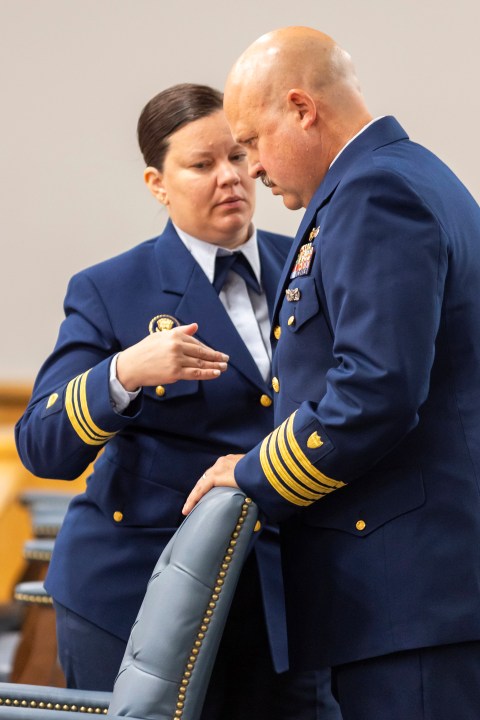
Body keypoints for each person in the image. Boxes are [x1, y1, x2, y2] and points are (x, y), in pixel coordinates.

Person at [15, 83, 341, 720]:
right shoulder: (113, 288)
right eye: (201, 164)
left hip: (285, 589)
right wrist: (122, 374)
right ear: (157, 183)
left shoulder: (311, 261)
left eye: (240, 155)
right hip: (140, 589)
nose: (230, 178)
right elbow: (39, 444)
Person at [183, 27, 480, 720]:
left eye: (253, 141)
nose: (251, 168)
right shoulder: (397, 176)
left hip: (412, 597)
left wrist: (253, 471)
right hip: (408, 594)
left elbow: (376, 388)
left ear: (301, 108)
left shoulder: (376, 192)